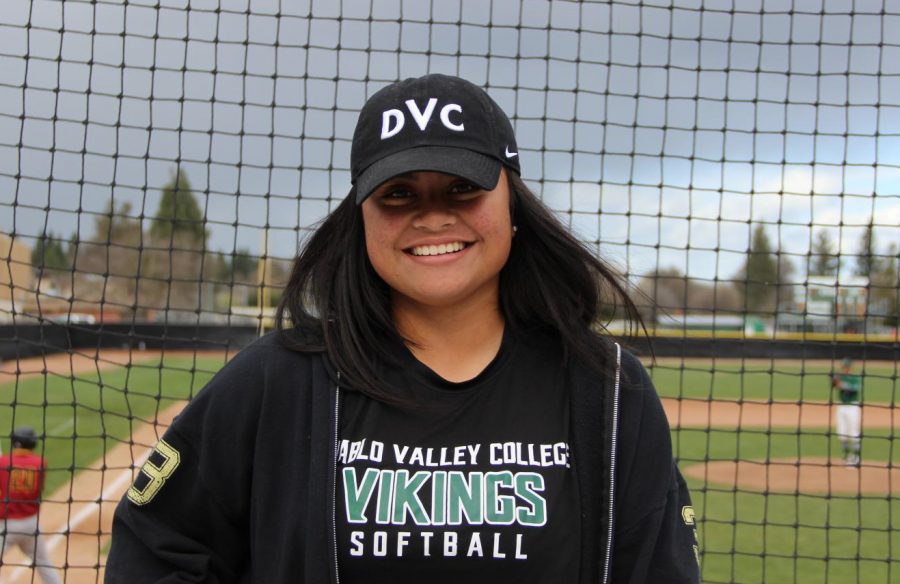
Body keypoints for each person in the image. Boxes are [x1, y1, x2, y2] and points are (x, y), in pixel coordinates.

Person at [106, 73, 700, 583]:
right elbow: (154, 544)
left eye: (462, 187)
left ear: (511, 203)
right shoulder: (279, 379)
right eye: (398, 193)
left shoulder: (607, 390)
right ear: (361, 216)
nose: (432, 215)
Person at [0, 426, 62, 584]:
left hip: (7, 527)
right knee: (44, 564)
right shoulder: (41, 463)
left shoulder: (3, 462)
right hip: (31, 525)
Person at [832, 358, 862, 466]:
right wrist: (834, 380)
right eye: (843, 367)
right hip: (841, 407)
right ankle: (846, 455)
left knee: (854, 433)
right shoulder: (841, 377)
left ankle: (856, 456)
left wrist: (840, 383)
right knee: (842, 433)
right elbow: (834, 385)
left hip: (852, 407)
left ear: (850, 367)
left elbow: (853, 390)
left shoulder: (855, 378)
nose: (844, 369)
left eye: (846, 367)